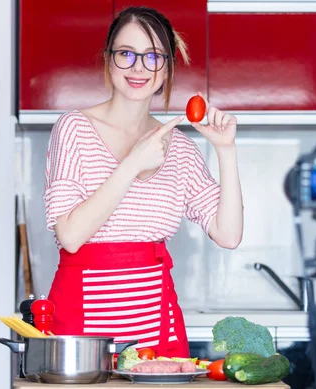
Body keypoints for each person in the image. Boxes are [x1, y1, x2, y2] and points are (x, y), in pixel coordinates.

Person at [42, 6, 244, 358]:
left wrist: (225, 150)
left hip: (157, 330)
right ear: (108, 61)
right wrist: (134, 162)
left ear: (166, 69)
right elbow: (70, 236)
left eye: (152, 57)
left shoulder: (179, 147)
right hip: (84, 335)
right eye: (126, 54)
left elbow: (228, 235)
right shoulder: (73, 128)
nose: (138, 67)